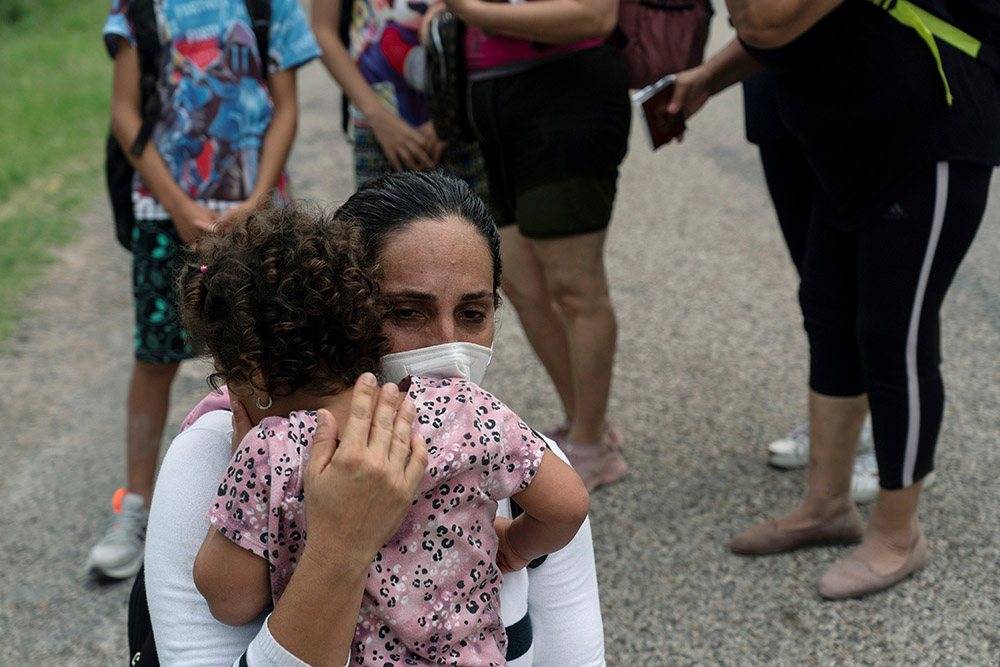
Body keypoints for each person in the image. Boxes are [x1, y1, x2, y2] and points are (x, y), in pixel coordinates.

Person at [142, 171, 608, 665]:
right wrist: (339, 547)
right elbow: (567, 506)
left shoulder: (266, 456)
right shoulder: (483, 424)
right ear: (353, 309)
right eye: (407, 312)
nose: (445, 345)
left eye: (473, 313)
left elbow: (229, 597)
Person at [667, 0, 1000, 598]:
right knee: (829, 316)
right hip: (845, 144)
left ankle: (899, 534)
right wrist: (711, 77)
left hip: (925, 134)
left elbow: (766, 18)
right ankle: (826, 505)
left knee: (893, 334)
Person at [88, 0, 320, 579]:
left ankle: (288, 495)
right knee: (156, 354)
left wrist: (258, 198)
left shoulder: (273, 6)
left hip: (259, 217)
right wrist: (178, 206)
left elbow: (286, 107)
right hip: (164, 217)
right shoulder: (139, 8)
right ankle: (135, 508)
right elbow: (125, 112)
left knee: (274, 350)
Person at [440, 0, 631, 492]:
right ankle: (583, 419)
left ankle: (590, 443)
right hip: (494, 108)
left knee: (574, 287)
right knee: (522, 284)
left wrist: (471, 11)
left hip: (566, 96)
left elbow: (596, 16)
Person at [309, 0, 488, 200]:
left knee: (469, 218)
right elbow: (322, 30)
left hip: (458, 118)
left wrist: (452, 111)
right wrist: (377, 116)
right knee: (380, 224)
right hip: (378, 128)